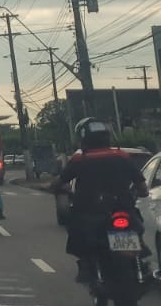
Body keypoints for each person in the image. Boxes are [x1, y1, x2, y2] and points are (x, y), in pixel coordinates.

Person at [51, 118, 147, 283]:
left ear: (83, 138)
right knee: (138, 230)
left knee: (78, 236)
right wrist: (140, 193)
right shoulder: (121, 156)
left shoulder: (80, 159)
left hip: (91, 212)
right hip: (123, 209)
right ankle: (141, 265)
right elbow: (142, 187)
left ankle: (87, 268)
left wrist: (55, 187)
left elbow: (60, 182)